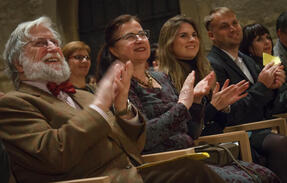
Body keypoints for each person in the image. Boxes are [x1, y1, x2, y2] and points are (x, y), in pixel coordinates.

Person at [0, 16, 227, 183]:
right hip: (96, 180)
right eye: (41, 43)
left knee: (196, 169)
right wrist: (99, 106)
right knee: (192, 173)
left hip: (132, 173)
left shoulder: (82, 95)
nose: (53, 48)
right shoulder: (15, 104)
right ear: (19, 64)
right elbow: (53, 155)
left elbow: (134, 146)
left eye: (54, 42)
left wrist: (123, 110)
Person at [97, 14, 280, 183]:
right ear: (113, 49)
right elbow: (145, 138)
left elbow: (191, 132)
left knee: (266, 175)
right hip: (166, 165)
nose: (139, 40)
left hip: (193, 154)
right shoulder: (121, 87)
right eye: (130, 36)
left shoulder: (160, 78)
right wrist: (184, 104)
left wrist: (197, 102)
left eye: (142, 34)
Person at [205, 7, 287, 182]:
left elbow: (268, 107)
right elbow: (232, 114)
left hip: (261, 125)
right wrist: (262, 86)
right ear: (211, 35)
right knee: (280, 143)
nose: (233, 28)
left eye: (235, 23)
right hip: (237, 132)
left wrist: (274, 87)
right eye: (225, 26)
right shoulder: (213, 64)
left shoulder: (247, 60)